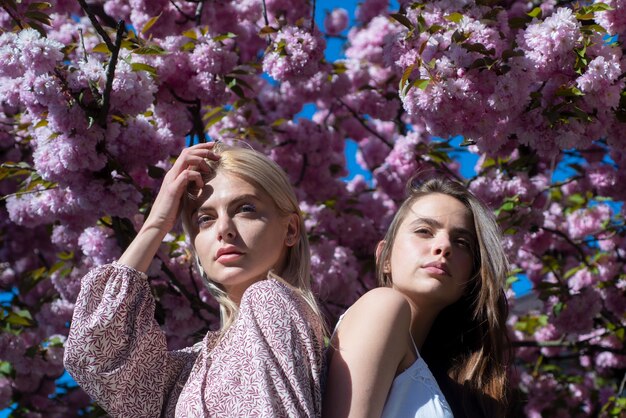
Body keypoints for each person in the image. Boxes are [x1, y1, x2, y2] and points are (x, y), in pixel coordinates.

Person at [64, 142, 325, 417]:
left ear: (291, 229)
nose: (224, 229)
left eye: (245, 208)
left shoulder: (268, 299)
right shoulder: (187, 370)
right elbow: (93, 357)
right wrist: (157, 222)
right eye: (205, 219)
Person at [323, 177, 511, 418]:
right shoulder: (381, 306)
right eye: (424, 231)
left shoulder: (452, 387)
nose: (444, 246)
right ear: (385, 257)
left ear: (471, 276)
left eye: (462, 242)